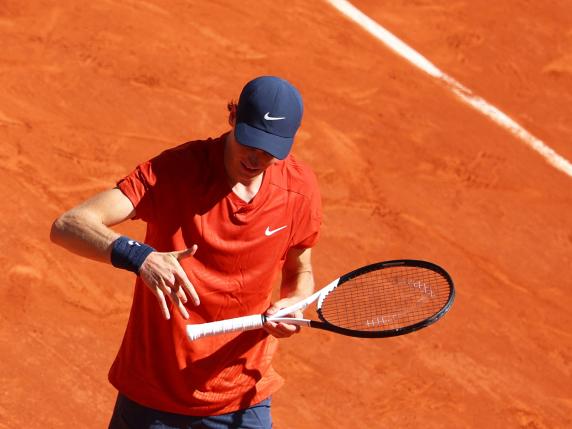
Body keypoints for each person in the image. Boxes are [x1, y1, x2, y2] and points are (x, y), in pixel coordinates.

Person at [50, 75, 322, 429]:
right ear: (233, 117)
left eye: (269, 151)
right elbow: (70, 224)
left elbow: (300, 270)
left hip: (242, 396)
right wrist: (141, 257)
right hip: (154, 399)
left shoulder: (298, 189)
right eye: (250, 143)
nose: (256, 159)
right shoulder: (174, 173)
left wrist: (296, 302)